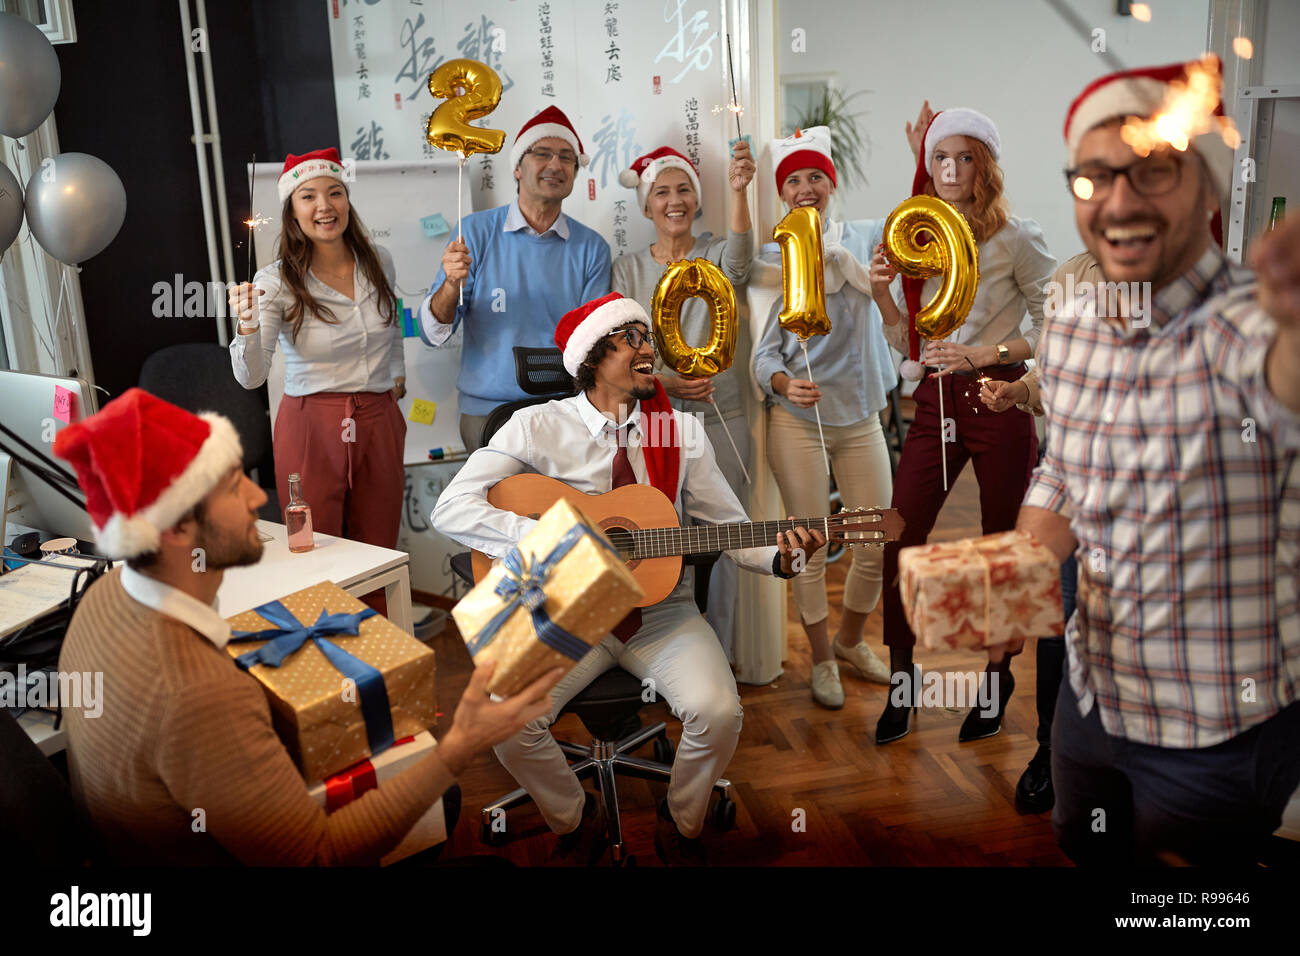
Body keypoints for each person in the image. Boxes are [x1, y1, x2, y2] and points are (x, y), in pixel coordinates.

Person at [52, 388, 561, 866]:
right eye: (232, 487)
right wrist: (460, 744)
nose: (257, 497)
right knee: (441, 791)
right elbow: (318, 856)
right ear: (180, 527)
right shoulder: (197, 694)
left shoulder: (101, 597)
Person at [1008, 57, 1300, 866]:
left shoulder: (1253, 325)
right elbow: (1065, 469)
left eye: (1153, 171)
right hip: (1092, 699)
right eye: (1095, 177)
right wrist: (1015, 572)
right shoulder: (1072, 323)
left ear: (1208, 188)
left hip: (1217, 727)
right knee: (1084, 844)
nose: (1120, 201)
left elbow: (1283, 381)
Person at [431, 293, 825, 865]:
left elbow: (731, 527)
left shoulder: (681, 432)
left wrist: (784, 558)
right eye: (632, 339)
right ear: (592, 358)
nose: (649, 351)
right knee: (504, 719)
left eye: (648, 339)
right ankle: (576, 817)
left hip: (660, 612)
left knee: (718, 711)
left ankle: (680, 821)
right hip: (565, 610)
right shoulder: (535, 427)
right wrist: (552, 539)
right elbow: (451, 508)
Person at [870, 108, 1058, 744]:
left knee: (1001, 546)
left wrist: (986, 354)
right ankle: (903, 682)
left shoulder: (1018, 237)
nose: (950, 170)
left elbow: (1051, 328)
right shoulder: (918, 235)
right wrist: (882, 293)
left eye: (965, 157)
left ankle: (997, 681)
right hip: (935, 400)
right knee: (900, 533)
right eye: (939, 158)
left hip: (1001, 397)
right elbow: (907, 341)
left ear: (985, 165)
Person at [750, 126, 897, 709]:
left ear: (831, 184)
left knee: (874, 543)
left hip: (859, 417)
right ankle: (820, 660)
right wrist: (785, 383)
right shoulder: (772, 258)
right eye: (794, 180)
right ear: (782, 192)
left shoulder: (866, 240)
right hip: (796, 423)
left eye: (816, 177)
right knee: (806, 544)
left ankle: (851, 642)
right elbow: (763, 356)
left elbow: (900, 301)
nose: (806, 188)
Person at [610, 141, 756, 660]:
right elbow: (616, 351)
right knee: (664, 541)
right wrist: (665, 385)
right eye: (662, 192)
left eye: (684, 190)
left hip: (722, 415)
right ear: (646, 205)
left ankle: (721, 656)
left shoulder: (713, 252)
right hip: (653, 418)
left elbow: (740, 263)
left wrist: (739, 190)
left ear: (696, 199)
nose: (674, 201)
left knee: (727, 540)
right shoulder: (626, 269)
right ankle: (673, 657)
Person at [228, 148, 406, 550]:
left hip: (379, 419)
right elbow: (251, 377)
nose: (324, 206)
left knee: (380, 546)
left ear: (347, 201)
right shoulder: (274, 281)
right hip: (310, 425)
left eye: (335, 193)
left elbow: (393, 325)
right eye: (308, 196)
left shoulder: (380, 260)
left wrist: (397, 378)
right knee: (312, 546)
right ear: (292, 211)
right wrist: (247, 325)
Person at [980, 251, 1101, 812]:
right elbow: (1051, 370)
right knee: (1059, 614)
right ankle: (1052, 751)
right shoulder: (1073, 274)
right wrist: (1019, 392)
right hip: (1072, 468)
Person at [419, 106, 612, 450]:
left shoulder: (592, 247)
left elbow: (592, 343)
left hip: (565, 412)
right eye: (542, 153)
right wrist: (450, 285)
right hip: (488, 412)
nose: (555, 165)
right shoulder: (474, 232)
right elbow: (433, 333)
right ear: (518, 168)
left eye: (566, 157)